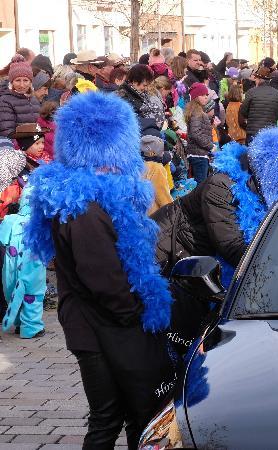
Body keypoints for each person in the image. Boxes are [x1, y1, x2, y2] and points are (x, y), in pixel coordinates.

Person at [23, 91, 175, 449]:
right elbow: (102, 278)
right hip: (98, 329)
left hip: (100, 323)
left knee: (123, 412)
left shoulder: (88, 197)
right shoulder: (84, 206)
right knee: (109, 416)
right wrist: (137, 315)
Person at [151, 126, 278, 352]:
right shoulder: (223, 187)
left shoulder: (265, 190)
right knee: (171, 343)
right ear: (273, 175)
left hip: (198, 259)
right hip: (165, 256)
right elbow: (235, 249)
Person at [0, 189, 45, 339]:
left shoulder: (9, 220)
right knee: (33, 291)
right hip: (33, 260)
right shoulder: (40, 222)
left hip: (12, 262)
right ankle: (31, 327)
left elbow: (3, 240)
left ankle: (19, 323)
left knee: (12, 288)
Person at [240, 61, 278, 143]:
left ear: (259, 79)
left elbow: (243, 112)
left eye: (256, 79)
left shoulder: (251, 92)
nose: (255, 81)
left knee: (252, 155)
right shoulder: (277, 93)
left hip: (253, 132)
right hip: (269, 132)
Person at [0, 55, 41, 138]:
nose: (22, 85)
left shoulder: (34, 99)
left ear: (30, 82)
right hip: (17, 148)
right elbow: (7, 131)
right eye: (17, 80)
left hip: (35, 146)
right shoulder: (5, 101)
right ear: (11, 82)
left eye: (26, 80)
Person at [184, 82, 214, 184]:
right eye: (203, 95)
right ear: (196, 97)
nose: (206, 97)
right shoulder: (197, 113)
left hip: (199, 153)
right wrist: (210, 146)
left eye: (206, 95)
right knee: (201, 185)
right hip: (199, 154)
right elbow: (196, 133)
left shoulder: (197, 111)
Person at [141, 135, 173, 215]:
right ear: (153, 153)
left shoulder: (139, 166)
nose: (163, 153)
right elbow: (162, 195)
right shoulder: (156, 168)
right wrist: (172, 212)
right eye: (161, 151)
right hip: (155, 214)